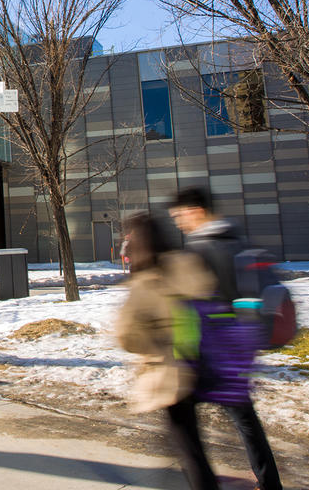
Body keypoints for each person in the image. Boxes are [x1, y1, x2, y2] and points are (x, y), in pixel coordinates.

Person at [170, 187, 283, 490]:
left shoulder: (201, 247)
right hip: (237, 344)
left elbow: (189, 303)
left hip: (209, 350)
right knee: (245, 419)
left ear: (196, 211)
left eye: (180, 215)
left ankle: (203, 481)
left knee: (181, 415)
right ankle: (269, 482)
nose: (179, 222)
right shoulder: (235, 239)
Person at [116, 213, 218, 490]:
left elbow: (125, 334)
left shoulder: (145, 282)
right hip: (204, 360)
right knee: (192, 439)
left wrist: (151, 347)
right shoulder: (188, 263)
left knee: (187, 445)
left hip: (171, 370)